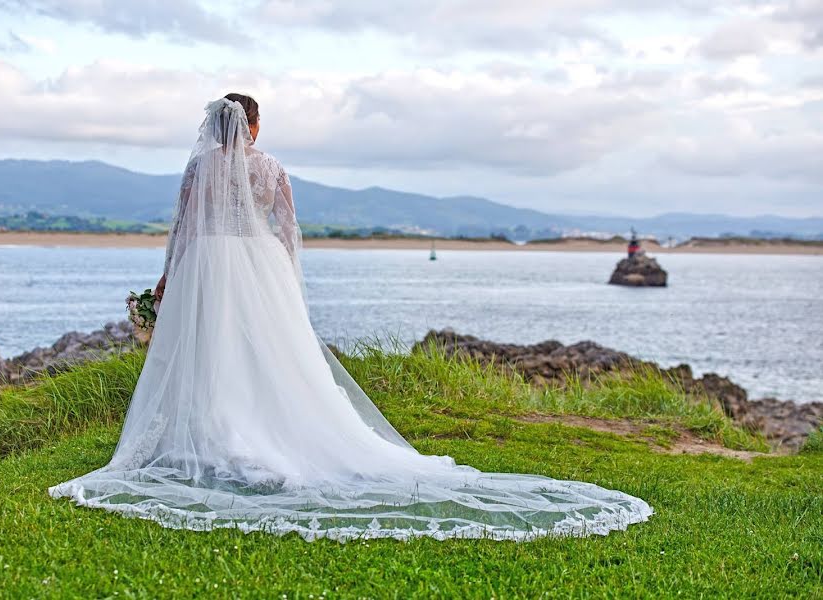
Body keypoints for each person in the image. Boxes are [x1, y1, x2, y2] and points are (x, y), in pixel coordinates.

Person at [49, 94, 652, 542]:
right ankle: (262, 427)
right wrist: (282, 280)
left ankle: (211, 430)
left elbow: (182, 231)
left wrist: (167, 279)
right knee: (267, 354)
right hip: (255, 264)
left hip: (208, 263)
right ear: (254, 127)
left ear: (215, 127)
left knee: (210, 349)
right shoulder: (271, 167)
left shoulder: (196, 170)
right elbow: (287, 229)